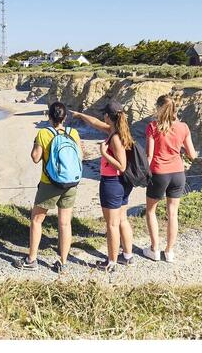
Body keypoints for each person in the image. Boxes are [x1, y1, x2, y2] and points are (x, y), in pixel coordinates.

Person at [15, 101, 82, 274]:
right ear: (65, 117)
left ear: (49, 116)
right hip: (71, 183)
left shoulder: (43, 133)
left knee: (37, 220)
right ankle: (63, 262)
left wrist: (37, 144)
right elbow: (80, 156)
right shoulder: (73, 132)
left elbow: (35, 158)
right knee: (65, 223)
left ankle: (31, 259)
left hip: (49, 183)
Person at [70, 100, 135, 272]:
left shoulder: (115, 138)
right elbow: (95, 123)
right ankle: (127, 256)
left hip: (113, 183)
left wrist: (103, 153)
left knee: (112, 225)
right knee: (122, 219)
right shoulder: (117, 130)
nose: (102, 117)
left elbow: (121, 165)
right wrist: (80, 115)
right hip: (121, 184)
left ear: (108, 116)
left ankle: (111, 263)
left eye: (104, 114)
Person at [144, 94, 197, 263]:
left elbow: (149, 155)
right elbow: (192, 154)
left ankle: (155, 249)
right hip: (178, 173)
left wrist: (142, 173)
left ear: (159, 108)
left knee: (151, 211)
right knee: (173, 214)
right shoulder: (184, 127)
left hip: (159, 173)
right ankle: (169, 252)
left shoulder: (153, 127)